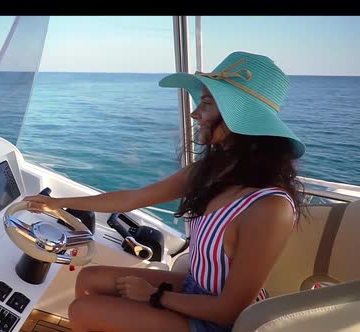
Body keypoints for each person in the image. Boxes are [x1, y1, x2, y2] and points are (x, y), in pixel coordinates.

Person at [23, 51, 306, 332]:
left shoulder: (270, 207)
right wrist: (56, 202)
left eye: (206, 103)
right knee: (89, 279)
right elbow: (131, 199)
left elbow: (229, 310)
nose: (195, 113)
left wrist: (154, 296)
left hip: (221, 322)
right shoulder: (213, 173)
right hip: (195, 287)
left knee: (84, 311)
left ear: (241, 119)